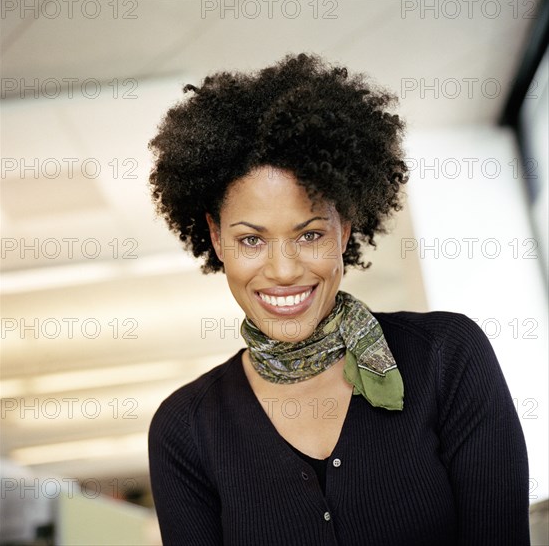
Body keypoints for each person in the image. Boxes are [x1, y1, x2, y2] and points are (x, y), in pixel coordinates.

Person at [147, 52, 530, 545]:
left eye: (309, 235)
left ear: (344, 230)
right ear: (216, 239)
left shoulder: (445, 357)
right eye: (251, 240)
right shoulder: (187, 430)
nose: (284, 270)